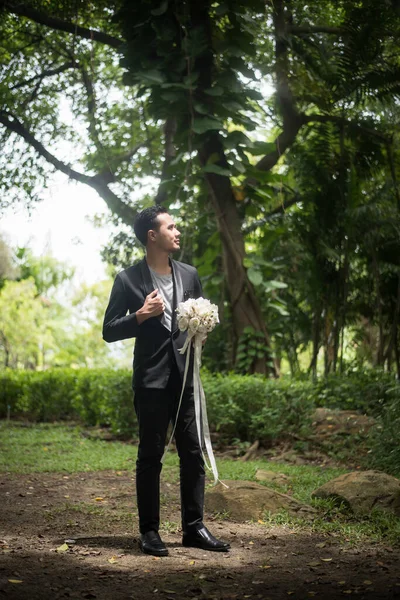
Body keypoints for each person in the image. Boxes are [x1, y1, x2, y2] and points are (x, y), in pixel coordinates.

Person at [102, 205, 230, 557]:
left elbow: (198, 327)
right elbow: (108, 330)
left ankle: (194, 528)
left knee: (192, 451)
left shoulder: (189, 275)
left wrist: (202, 329)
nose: (177, 231)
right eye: (170, 227)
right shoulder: (127, 279)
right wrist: (140, 315)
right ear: (152, 236)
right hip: (151, 380)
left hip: (186, 377)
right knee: (150, 456)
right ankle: (150, 532)